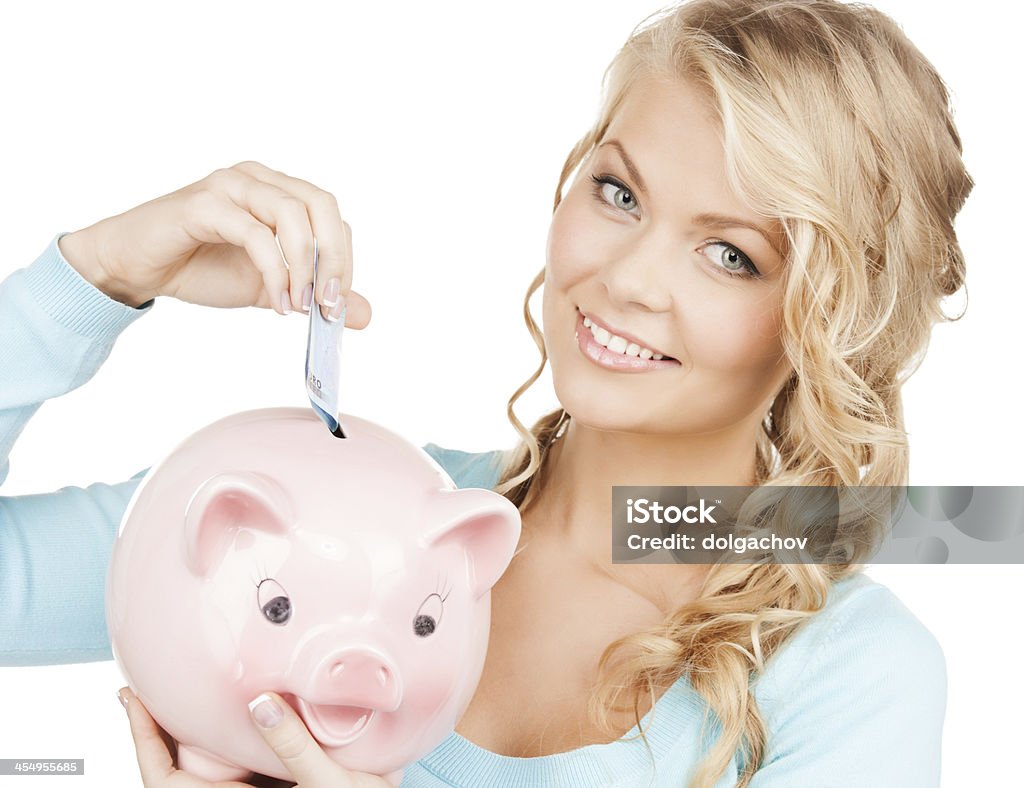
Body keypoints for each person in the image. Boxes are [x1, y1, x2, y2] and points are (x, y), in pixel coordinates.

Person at [0, 0, 972, 785]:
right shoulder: (348, 514)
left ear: (829, 320)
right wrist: (93, 276)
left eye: (729, 254)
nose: (628, 278)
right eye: (619, 192)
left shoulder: (853, 676)